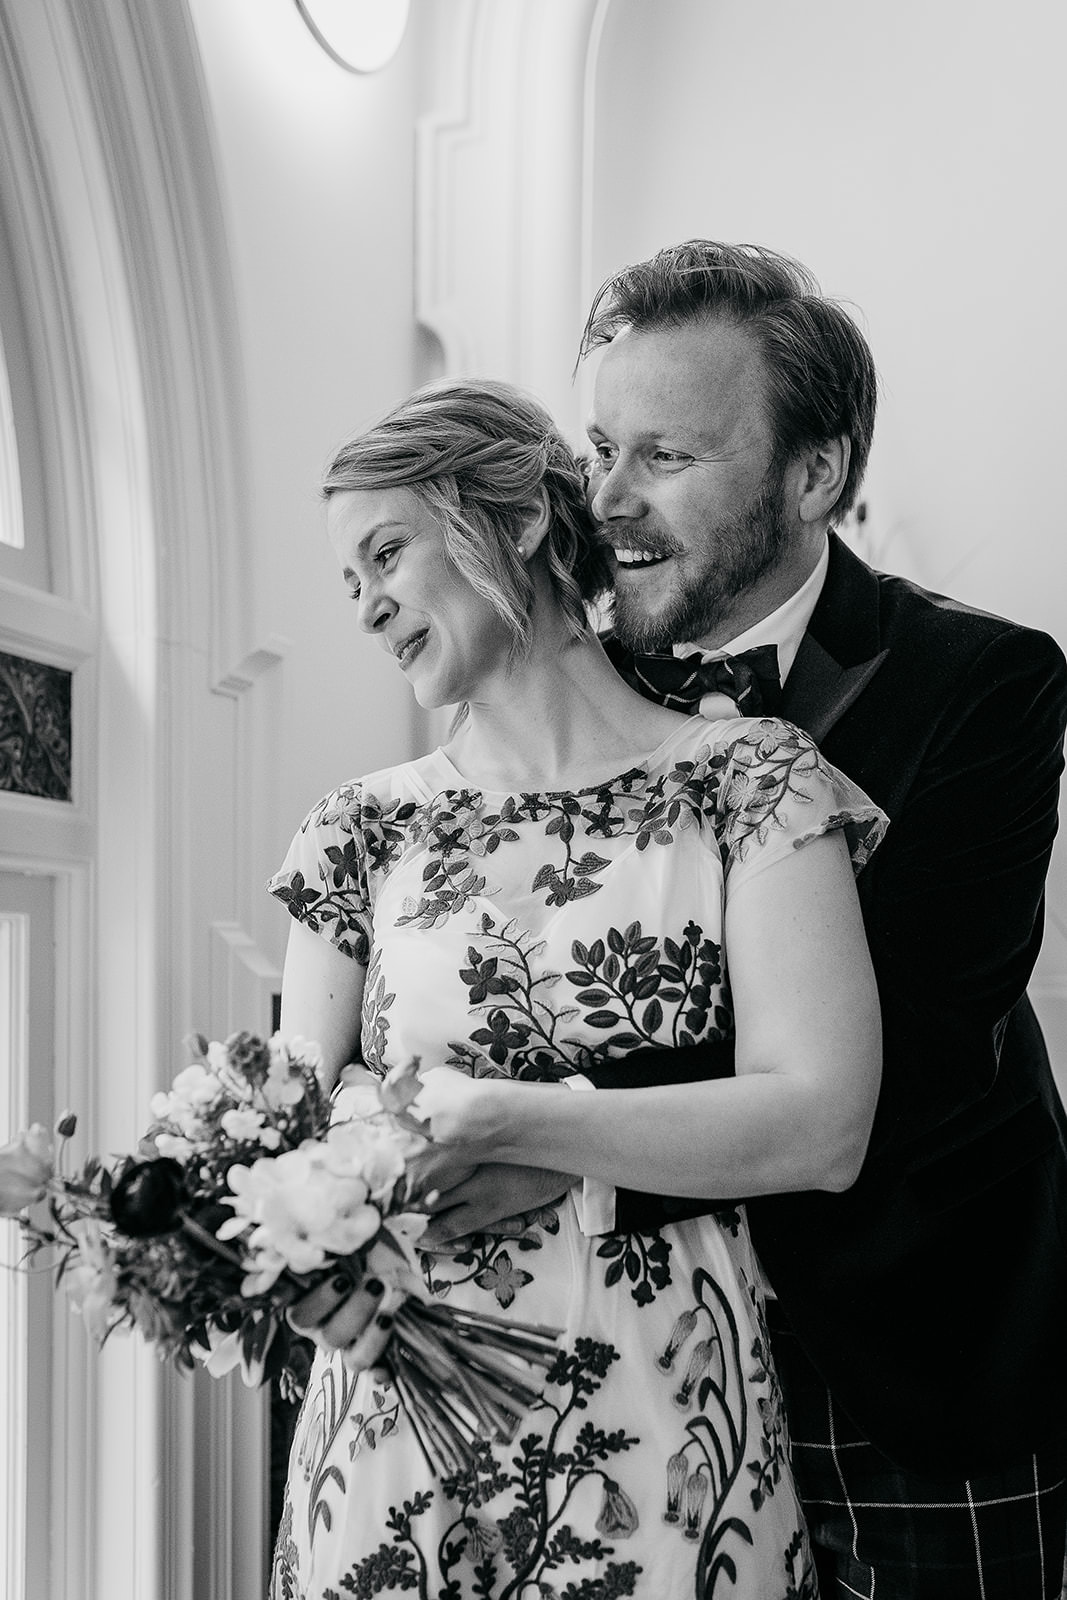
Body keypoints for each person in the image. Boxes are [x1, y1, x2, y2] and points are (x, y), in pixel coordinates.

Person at [404, 242, 1067, 1598]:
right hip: (622, 1359)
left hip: (903, 1369)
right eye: (598, 448)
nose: (609, 502)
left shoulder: (980, 685)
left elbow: (918, 1058)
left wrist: (552, 1142)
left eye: (666, 456)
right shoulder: (559, 676)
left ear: (811, 474)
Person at [266, 375, 886, 1598]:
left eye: (384, 553)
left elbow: (822, 1124)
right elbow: (290, 1122)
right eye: (349, 582)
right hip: (396, 1428)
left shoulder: (747, 782)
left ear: (520, 521)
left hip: (661, 1420)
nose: (367, 605)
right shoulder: (359, 830)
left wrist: (516, 1119)